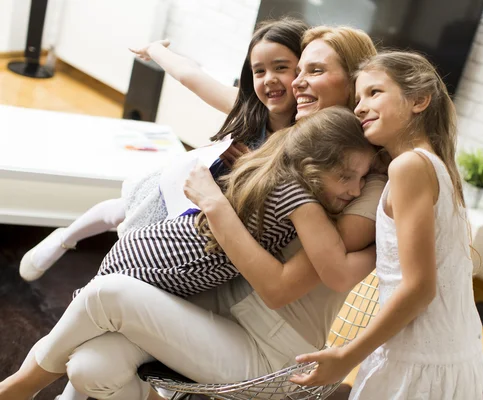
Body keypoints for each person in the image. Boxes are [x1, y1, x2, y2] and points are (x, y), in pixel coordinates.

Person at [0, 25, 382, 400]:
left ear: (354, 81)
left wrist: (214, 204)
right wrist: (159, 51)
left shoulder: (359, 174)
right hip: (209, 296)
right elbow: (197, 81)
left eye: (312, 71)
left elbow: (292, 284)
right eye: (298, 70)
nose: (295, 82)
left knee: (105, 295)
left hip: (270, 341)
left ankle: (20, 386)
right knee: (90, 369)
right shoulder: (287, 139)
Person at [19, 17, 307, 282]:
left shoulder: (306, 137)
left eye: (281, 67)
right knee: (122, 207)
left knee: (141, 240)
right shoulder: (245, 107)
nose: (269, 78)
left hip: (209, 213)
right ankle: (65, 238)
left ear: (304, 68)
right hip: (185, 183)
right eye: (259, 71)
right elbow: (190, 76)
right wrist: (155, 50)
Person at [289, 51, 483, 399]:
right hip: (456, 358)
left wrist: (346, 356)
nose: (359, 107)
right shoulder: (435, 165)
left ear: (419, 100)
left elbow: (420, 288)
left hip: (419, 368)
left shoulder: (409, 167)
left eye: (374, 93)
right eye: (356, 99)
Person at [77, 107, 375, 298]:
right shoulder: (295, 190)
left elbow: (322, 277)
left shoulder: (300, 186)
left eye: (315, 70)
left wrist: (214, 204)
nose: (357, 190)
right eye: (347, 177)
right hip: (158, 258)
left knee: (80, 344)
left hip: (162, 263)